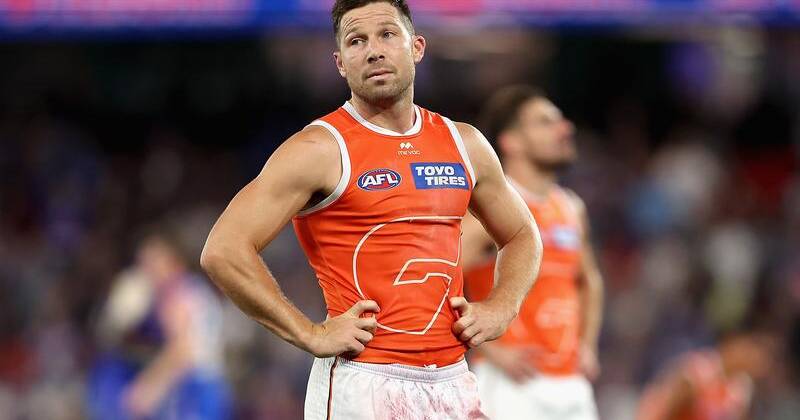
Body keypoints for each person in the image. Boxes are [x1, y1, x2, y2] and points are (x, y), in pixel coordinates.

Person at [199, 0, 543, 418]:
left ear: (416, 47)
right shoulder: (319, 149)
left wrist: (501, 306)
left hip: (452, 379)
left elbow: (523, 234)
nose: (373, 50)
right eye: (356, 41)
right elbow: (223, 249)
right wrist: (310, 333)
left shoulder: (464, 144)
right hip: (363, 382)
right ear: (340, 63)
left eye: (387, 35)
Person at [461, 86, 604, 420]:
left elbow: (589, 279)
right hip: (511, 384)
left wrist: (588, 344)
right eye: (545, 122)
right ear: (512, 141)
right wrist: (489, 349)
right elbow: (438, 278)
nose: (565, 129)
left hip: (571, 383)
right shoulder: (489, 209)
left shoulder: (570, 206)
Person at [88, 231, 230, 420]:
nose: (146, 271)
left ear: (171, 262)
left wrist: (148, 387)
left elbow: (182, 350)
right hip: (205, 385)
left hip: (196, 390)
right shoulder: (191, 288)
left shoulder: (177, 296)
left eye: (151, 263)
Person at [636, 330, 773, 420]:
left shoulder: (740, 389)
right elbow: (667, 401)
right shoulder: (700, 368)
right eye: (747, 353)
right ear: (733, 344)